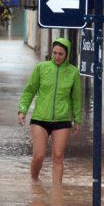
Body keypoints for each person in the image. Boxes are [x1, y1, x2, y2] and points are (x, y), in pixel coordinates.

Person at [18, 38, 82, 184]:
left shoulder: (73, 72)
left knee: (58, 157)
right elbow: (29, 91)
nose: (57, 56)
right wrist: (22, 111)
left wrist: (77, 119)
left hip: (62, 120)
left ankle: (57, 192)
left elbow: (76, 98)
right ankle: (34, 182)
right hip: (40, 119)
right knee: (38, 155)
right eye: (55, 53)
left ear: (67, 54)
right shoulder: (41, 68)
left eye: (61, 54)